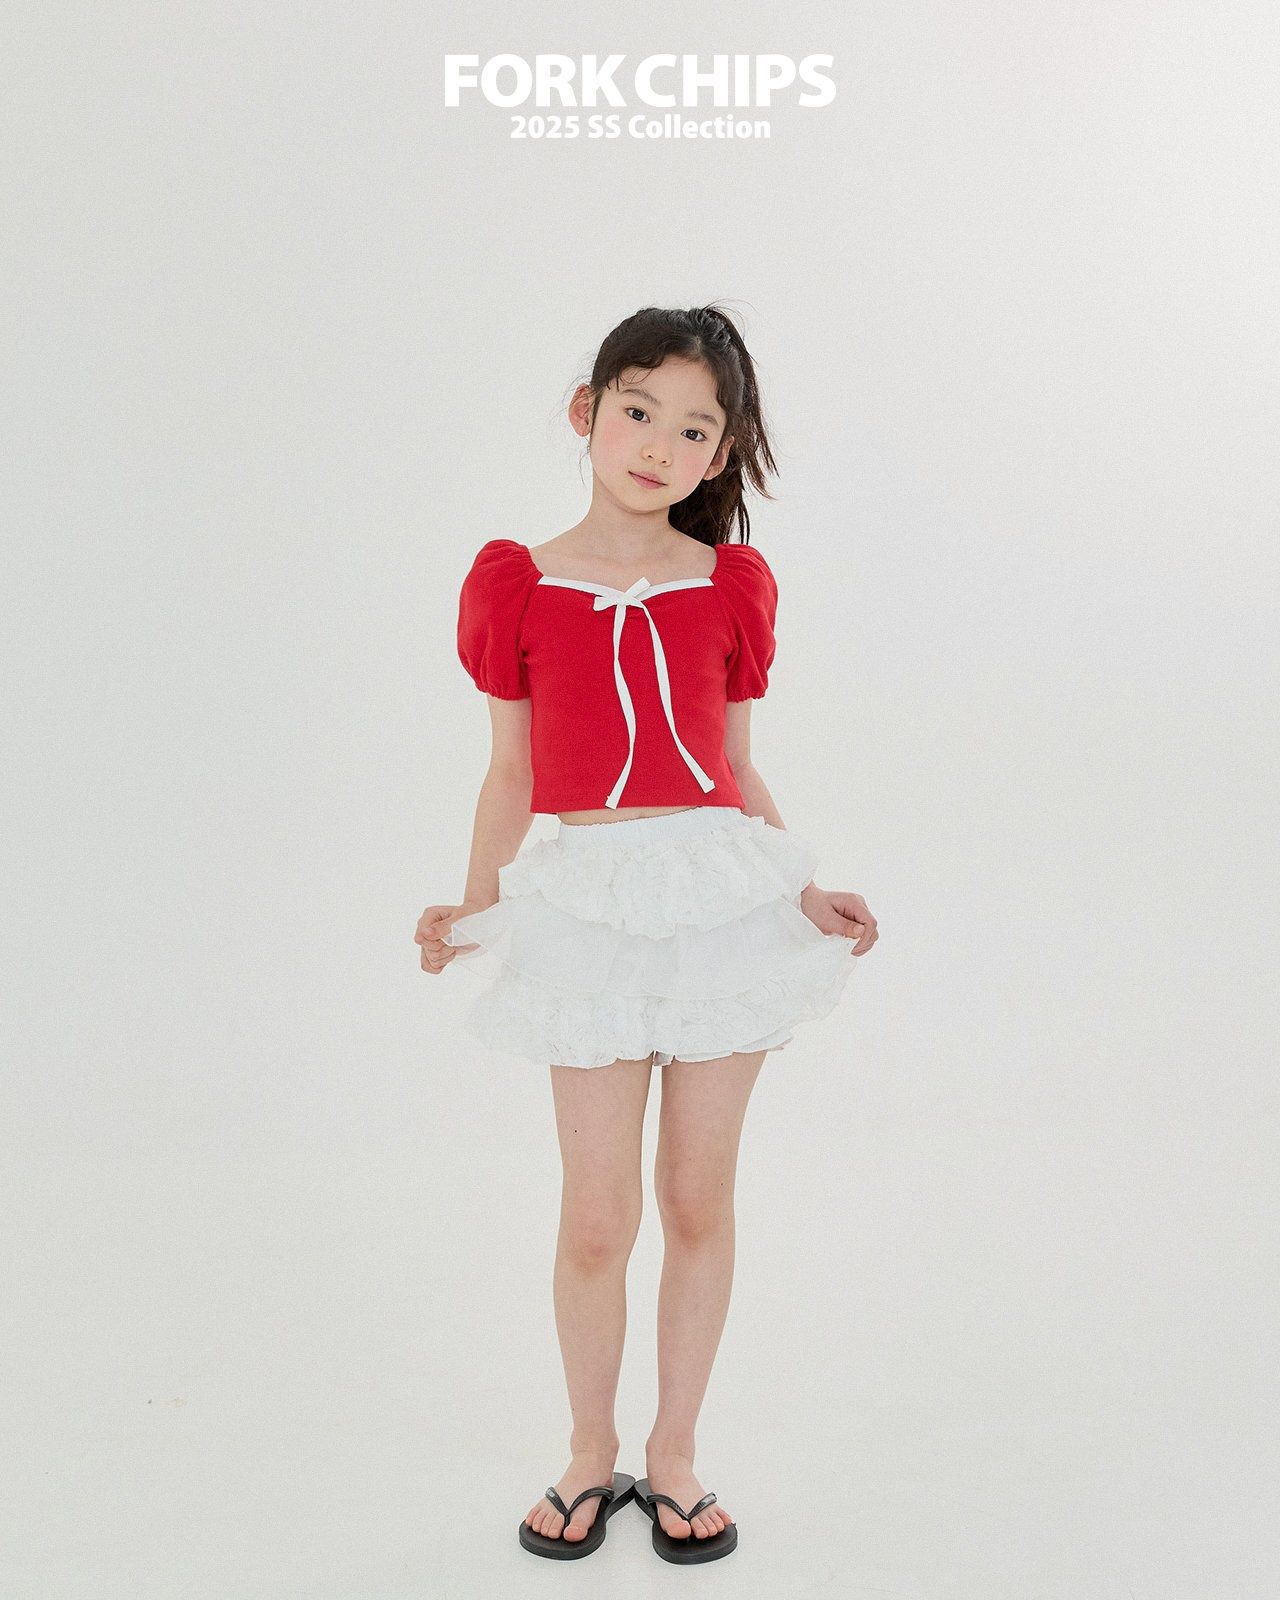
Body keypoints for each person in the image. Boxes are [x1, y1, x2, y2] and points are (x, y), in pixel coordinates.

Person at [415, 303, 878, 1565]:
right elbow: (509, 772)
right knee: (594, 1214)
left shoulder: (727, 585)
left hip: (722, 899)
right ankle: (587, 1450)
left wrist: (803, 890)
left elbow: (734, 765)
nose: (658, 446)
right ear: (587, 411)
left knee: (695, 1198)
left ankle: (673, 1454)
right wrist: (471, 905)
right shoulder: (515, 582)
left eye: (692, 430)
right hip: (588, 906)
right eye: (636, 412)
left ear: (717, 455)